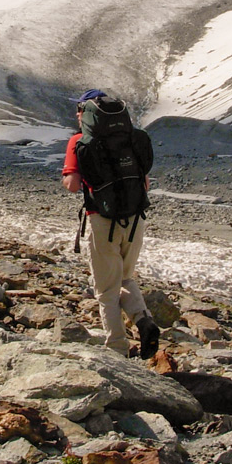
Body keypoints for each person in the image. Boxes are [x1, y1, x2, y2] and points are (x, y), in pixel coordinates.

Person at [62, 89, 159, 359]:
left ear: (86, 113)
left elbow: (72, 185)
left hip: (102, 220)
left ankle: (116, 348)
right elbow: (145, 183)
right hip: (135, 218)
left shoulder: (79, 141)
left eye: (78, 111)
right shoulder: (133, 139)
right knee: (125, 276)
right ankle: (143, 319)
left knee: (106, 289)